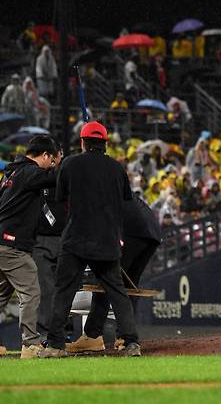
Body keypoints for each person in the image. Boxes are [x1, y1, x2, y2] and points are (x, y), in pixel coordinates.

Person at [40, 121, 141, 358]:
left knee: (64, 290)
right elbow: (126, 199)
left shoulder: (70, 163)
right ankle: (131, 343)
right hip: (107, 238)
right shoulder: (117, 168)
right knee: (117, 292)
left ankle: (55, 345)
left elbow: (60, 195)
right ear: (105, 143)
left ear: (82, 142)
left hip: (76, 237)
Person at [0, 135, 59, 358]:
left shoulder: (11, 172)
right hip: (10, 242)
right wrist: (76, 164)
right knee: (31, 291)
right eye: (52, 159)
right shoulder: (30, 172)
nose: (52, 164)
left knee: (1, 291)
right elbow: (54, 177)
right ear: (45, 155)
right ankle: (30, 343)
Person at [66, 195, 161, 352]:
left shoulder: (88, 192)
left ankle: (93, 335)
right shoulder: (106, 183)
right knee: (129, 284)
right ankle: (123, 337)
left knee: (107, 279)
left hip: (131, 228)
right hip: (151, 230)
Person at [32, 148, 65, 343]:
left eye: (60, 154)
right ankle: (44, 333)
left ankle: (58, 332)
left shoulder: (66, 175)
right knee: (44, 290)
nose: (57, 158)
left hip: (64, 238)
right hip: (41, 240)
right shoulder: (35, 177)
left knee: (62, 289)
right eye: (55, 154)